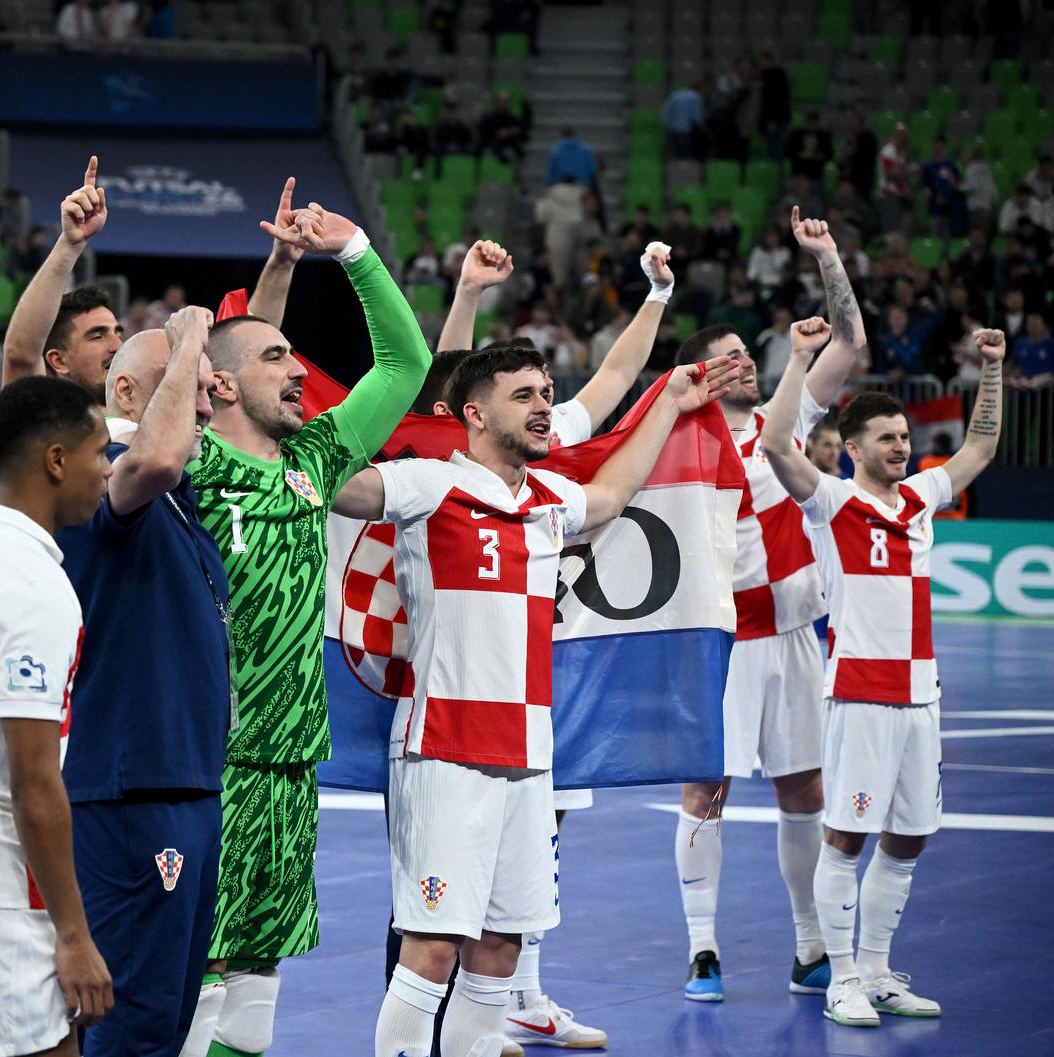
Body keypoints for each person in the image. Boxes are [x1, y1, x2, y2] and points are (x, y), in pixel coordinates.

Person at [333, 341, 738, 1057]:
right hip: (443, 747)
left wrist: (669, 401)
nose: (545, 404)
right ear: (475, 414)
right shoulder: (427, 484)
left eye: (548, 391)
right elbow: (342, 490)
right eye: (524, 394)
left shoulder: (551, 499)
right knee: (431, 947)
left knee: (498, 944)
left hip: (527, 754)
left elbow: (612, 496)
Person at [182, 190, 431, 1057]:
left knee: (258, 967)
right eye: (279, 357)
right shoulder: (189, 461)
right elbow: (217, 365)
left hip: (291, 765)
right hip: (209, 762)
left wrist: (353, 248)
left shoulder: (316, 461)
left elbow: (405, 363)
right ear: (218, 386)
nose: (299, 369)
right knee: (195, 971)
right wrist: (265, 289)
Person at [761, 322, 1004, 1027]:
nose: (902, 446)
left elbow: (981, 446)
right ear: (856, 446)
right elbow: (777, 443)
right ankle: (840, 979)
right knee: (847, 834)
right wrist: (801, 359)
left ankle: (876, 969)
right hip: (861, 693)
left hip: (920, 695)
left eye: (905, 436)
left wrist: (990, 368)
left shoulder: (923, 498)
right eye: (888, 438)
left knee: (910, 836)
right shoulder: (832, 502)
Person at [672, 208, 864, 1003]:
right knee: (704, 790)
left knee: (804, 791)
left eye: (750, 353)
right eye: (731, 357)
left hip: (791, 634)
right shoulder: (677, 437)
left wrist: (826, 259)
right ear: (701, 375)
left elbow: (851, 349)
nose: (747, 362)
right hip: (718, 641)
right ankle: (702, 948)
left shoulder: (782, 427)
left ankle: (811, 945)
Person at [55, 308, 229, 1057]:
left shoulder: (178, 502)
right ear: (125, 391)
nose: (204, 396)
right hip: (133, 797)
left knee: (166, 1018)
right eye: (182, 382)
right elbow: (154, 459)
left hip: (185, 788)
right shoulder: (109, 481)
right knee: (131, 1028)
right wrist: (190, 337)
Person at [0, 375, 115, 1056]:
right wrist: (74, 934)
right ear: (56, 460)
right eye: (100, 453)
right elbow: (32, 778)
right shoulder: (33, 587)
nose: (109, 471)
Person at [1, 157, 124, 397]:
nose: (118, 346)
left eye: (118, 333)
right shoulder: (44, 421)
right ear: (59, 361)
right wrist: (70, 245)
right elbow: (21, 357)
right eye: (97, 336)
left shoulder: (145, 419)